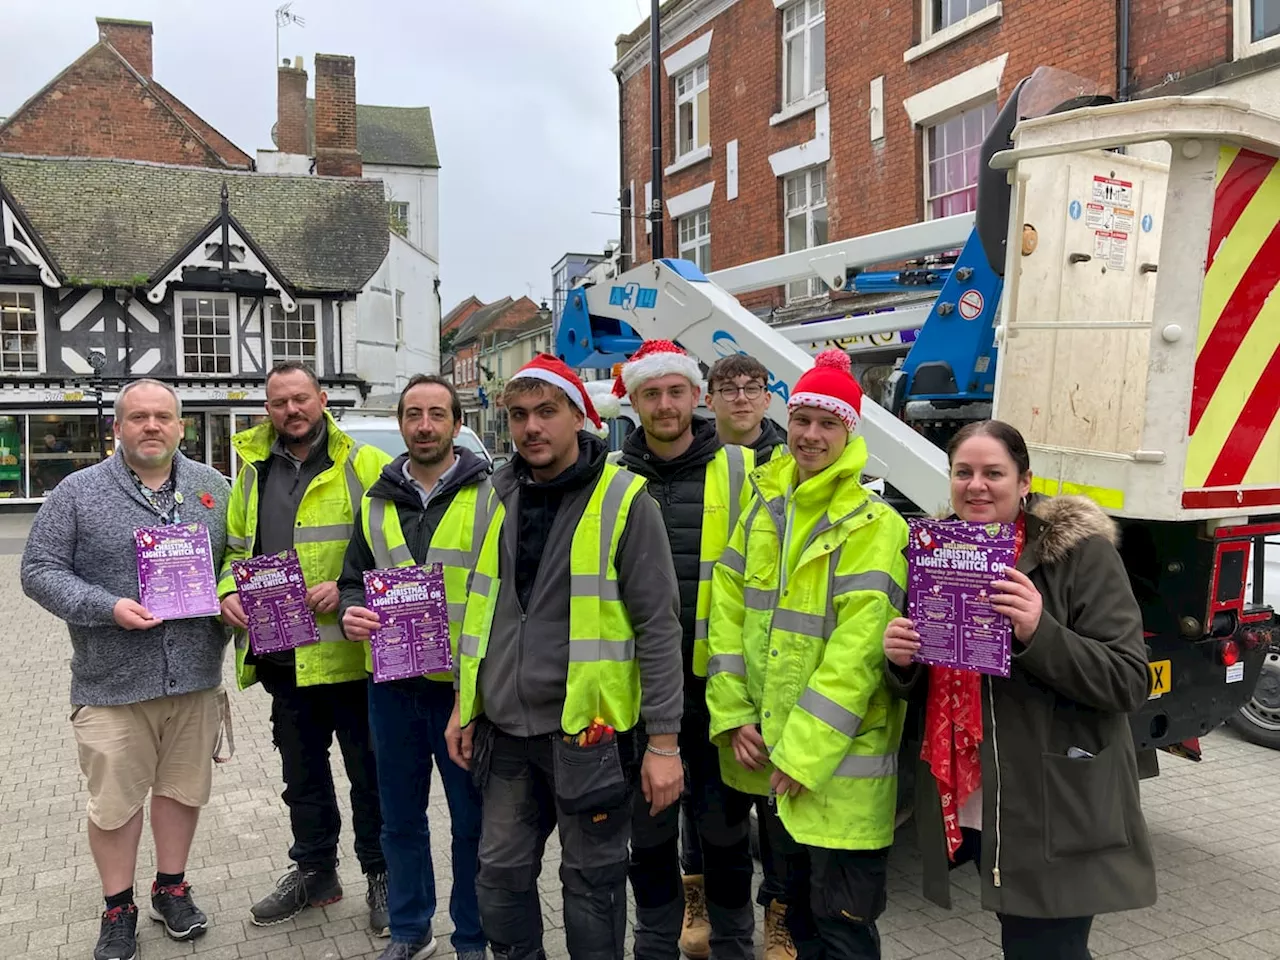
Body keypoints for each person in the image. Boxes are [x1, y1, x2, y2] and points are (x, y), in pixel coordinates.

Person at [882, 419, 1155, 960]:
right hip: (981, 795)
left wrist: (1038, 630)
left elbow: (1129, 680)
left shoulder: (1079, 556)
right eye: (963, 472)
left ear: (1025, 481)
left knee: (1048, 949)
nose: (976, 485)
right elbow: (940, 684)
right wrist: (903, 662)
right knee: (1020, 941)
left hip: (1056, 801)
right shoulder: (939, 554)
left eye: (993, 473)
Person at [443, 353, 685, 960]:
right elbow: (480, 614)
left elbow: (658, 628)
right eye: (520, 415)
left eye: (547, 412)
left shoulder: (627, 500)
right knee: (498, 879)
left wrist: (664, 743)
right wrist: (463, 704)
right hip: (505, 733)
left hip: (589, 737)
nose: (532, 427)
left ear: (579, 416)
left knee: (593, 887)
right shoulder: (493, 497)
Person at [707, 349, 910, 960]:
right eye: (802, 420)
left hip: (837, 773)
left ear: (851, 432)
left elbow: (859, 654)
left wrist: (800, 753)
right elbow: (728, 618)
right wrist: (733, 714)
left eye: (828, 423)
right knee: (794, 924)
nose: (811, 436)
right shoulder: (762, 513)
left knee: (843, 932)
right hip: (771, 762)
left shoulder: (876, 525)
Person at [21, 379, 232, 960]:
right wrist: (105, 607)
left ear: (181, 426)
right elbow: (38, 570)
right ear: (117, 427)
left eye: (163, 416)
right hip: (111, 682)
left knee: (181, 791)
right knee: (115, 803)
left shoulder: (216, 489)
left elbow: (240, 561)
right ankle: (119, 906)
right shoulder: (77, 492)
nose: (151, 426)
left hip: (193, 676)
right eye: (137, 416)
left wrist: (236, 594)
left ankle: (172, 888)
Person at [218, 361, 393, 933]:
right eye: (278, 403)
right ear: (266, 410)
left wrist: (350, 586)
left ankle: (382, 875)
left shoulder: (364, 464)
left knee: (369, 774)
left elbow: (398, 553)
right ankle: (314, 870)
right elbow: (236, 553)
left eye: (301, 399)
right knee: (302, 776)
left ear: (322, 399)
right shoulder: (249, 471)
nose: (291, 411)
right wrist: (226, 593)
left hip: (351, 655)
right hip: (282, 654)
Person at [609, 340, 757, 960]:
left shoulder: (743, 470)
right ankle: (655, 943)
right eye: (651, 393)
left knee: (723, 833)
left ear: (697, 397)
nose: (665, 405)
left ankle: (733, 943)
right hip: (636, 690)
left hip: (716, 687)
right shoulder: (610, 475)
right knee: (646, 837)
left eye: (676, 391)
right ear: (635, 401)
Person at [339, 375, 494, 960]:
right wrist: (353, 609)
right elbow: (354, 575)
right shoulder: (376, 500)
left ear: (457, 425)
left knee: (471, 822)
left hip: (465, 689)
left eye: (436, 414)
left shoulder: (492, 494)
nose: (424, 425)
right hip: (393, 685)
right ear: (401, 424)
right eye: (413, 414)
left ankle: (473, 936)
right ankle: (410, 930)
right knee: (399, 818)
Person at [698, 352, 792, 960]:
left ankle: (778, 915)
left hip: (779, 659)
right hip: (706, 660)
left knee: (780, 814)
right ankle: (701, 899)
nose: (739, 398)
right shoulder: (692, 461)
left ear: (767, 396)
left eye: (750, 387)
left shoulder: (797, 462)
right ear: (709, 398)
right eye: (726, 388)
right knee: (711, 806)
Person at [705, 354, 788, 463]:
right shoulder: (688, 459)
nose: (742, 398)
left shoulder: (792, 463)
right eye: (729, 389)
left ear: (766, 400)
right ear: (710, 402)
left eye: (752, 389)